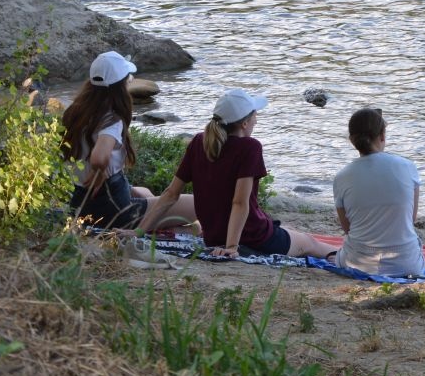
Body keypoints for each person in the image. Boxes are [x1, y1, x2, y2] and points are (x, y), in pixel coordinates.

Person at [137, 89, 336, 259]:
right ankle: (340, 256)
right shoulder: (249, 147)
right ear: (245, 123)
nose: (256, 120)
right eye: (255, 115)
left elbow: (171, 193)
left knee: (287, 230)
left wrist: (138, 231)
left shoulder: (199, 142)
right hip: (252, 235)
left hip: (213, 236)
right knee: (309, 243)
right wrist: (232, 247)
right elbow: (239, 202)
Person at [62, 51, 197, 230]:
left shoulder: (75, 113)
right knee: (199, 204)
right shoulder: (111, 119)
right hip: (115, 212)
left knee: (144, 192)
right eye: (129, 78)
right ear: (120, 85)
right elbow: (99, 157)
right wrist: (99, 172)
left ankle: (164, 227)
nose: (130, 81)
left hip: (82, 204)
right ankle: (165, 230)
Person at [333, 108, 425, 276]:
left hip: (358, 264)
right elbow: (410, 219)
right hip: (407, 264)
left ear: (352, 141)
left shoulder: (341, 177)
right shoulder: (407, 166)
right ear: (382, 136)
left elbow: (348, 229)